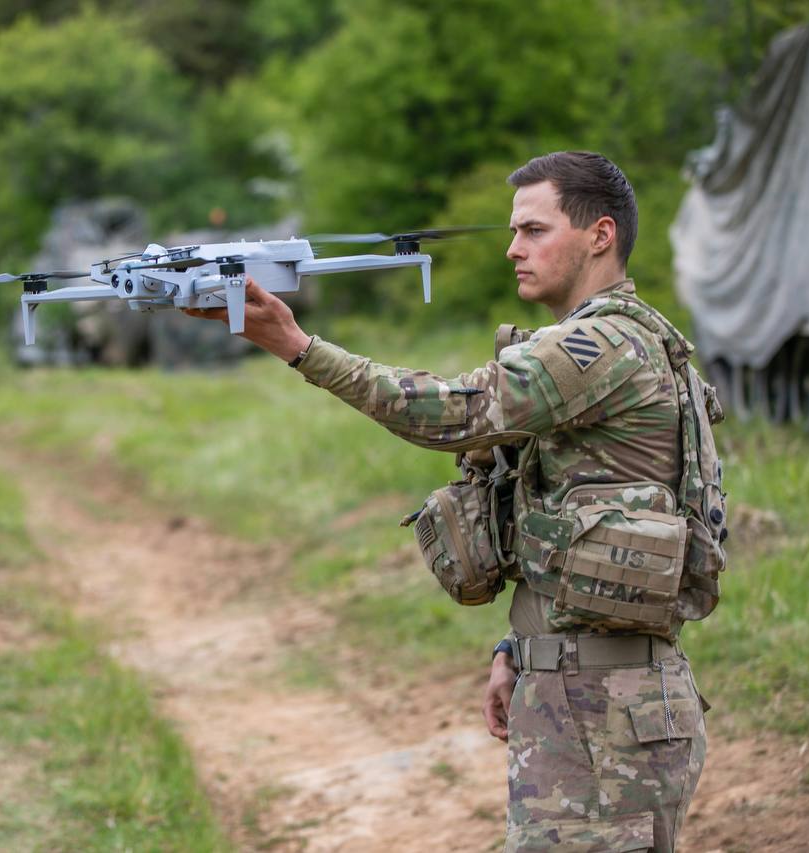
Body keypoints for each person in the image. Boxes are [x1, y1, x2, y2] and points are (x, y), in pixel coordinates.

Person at [184, 151, 723, 852]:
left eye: (533, 229)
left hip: (608, 716)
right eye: (513, 230)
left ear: (601, 235)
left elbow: (455, 413)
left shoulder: (605, 346)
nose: (512, 248)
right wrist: (519, 647)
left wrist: (297, 346)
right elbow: (573, 511)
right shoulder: (601, 342)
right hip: (584, 697)